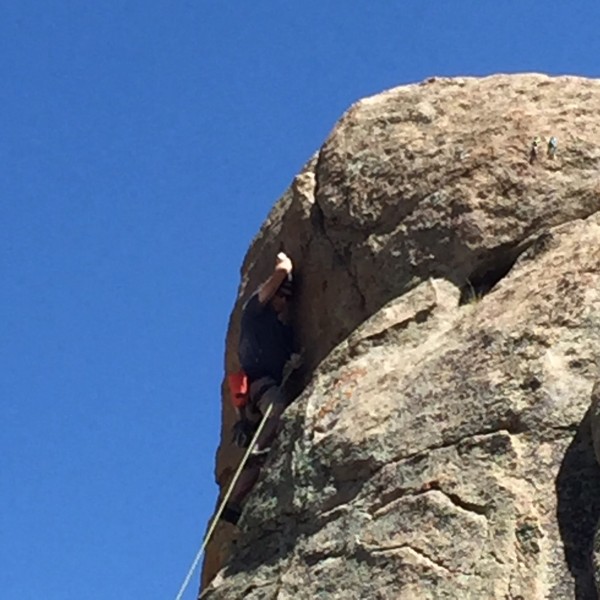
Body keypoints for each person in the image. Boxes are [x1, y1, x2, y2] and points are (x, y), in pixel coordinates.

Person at [221, 252, 298, 525]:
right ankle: (257, 452)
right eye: (281, 295)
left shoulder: (281, 330)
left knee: (263, 450)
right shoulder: (254, 312)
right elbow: (277, 277)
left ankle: (234, 504)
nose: (283, 302)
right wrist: (284, 266)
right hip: (258, 388)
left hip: (258, 391)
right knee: (275, 411)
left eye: (287, 297)